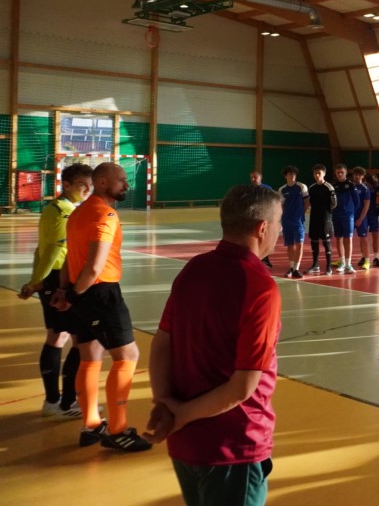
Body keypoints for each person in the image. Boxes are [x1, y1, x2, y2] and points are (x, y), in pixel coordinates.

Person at [145, 184, 283, 506]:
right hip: (234, 446)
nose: (281, 230)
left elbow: (162, 344)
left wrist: (166, 404)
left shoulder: (194, 269)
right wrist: (180, 415)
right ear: (262, 228)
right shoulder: (260, 287)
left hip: (187, 446)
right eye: (279, 222)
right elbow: (243, 386)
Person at [56, 162, 151, 451]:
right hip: (100, 293)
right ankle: (118, 430)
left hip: (80, 291)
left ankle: (91, 425)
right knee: (127, 356)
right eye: (121, 180)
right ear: (102, 183)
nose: (126, 185)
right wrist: (74, 295)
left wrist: (64, 291)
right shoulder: (105, 215)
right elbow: (95, 266)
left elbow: (69, 257)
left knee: (90, 356)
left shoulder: (78, 212)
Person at [19, 162, 93, 420]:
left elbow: (39, 249)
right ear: (67, 185)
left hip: (50, 279)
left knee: (57, 336)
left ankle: (53, 401)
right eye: (82, 185)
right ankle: (67, 402)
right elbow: (52, 251)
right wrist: (37, 282)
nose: (87, 190)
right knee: (79, 340)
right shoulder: (65, 213)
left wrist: (35, 280)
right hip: (60, 279)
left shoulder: (53, 208)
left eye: (90, 185)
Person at [278, 165, 309, 279]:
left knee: (299, 244)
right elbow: (281, 206)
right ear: (285, 176)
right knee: (290, 245)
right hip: (286, 221)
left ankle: (296, 268)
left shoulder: (302, 187)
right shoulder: (282, 190)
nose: (292, 176)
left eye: (294, 174)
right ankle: (291, 267)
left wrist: (300, 214)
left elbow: (307, 202)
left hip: (298, 221)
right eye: (290, 174)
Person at [306, 164, 337, 275]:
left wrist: (326, 212)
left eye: (319, 173)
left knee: (326, 242)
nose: (317, 175)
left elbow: (334, 203)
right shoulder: (312, 188)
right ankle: (315, 265)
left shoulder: (329, 187)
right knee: (314, 240)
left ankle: (328, 267)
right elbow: (310, 202)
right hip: (314, 217)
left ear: (324, 174)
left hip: (325, 218)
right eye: (315, 173)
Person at [331, 163, 358, 274]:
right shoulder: (333, 185)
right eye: (338, 173)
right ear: (335, 173)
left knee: (348, 238)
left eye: (342, 172)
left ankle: (348, 264)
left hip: (348, 216)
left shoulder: (351, 185)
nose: (340, 174)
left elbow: (357, 201)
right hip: (336, 215)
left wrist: (351, 213)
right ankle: (342, 262)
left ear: (346, 172)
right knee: (339, 238)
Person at [250, 171, 276, 268]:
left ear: (260, 178)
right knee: (254, 238)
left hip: (265, 217)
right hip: (254, 217)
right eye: (252, 177)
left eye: (255, 177)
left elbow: (273, 202)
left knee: (265, 238)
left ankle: (265, 259)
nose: (253, 179)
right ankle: (256, 259)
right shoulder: (249, 190)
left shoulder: (267, 189)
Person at [350, 166, 373, 269]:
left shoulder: (365, 189)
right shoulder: (350, 187)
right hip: (350, 216)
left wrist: (360, 219)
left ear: (363, 176)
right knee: (348, 238)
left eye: (359, 175)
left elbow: (366, 205)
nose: (357, 176)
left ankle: (367, 260)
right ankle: (361, 257)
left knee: (363, 237)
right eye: (355, 174)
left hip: (361, 217)